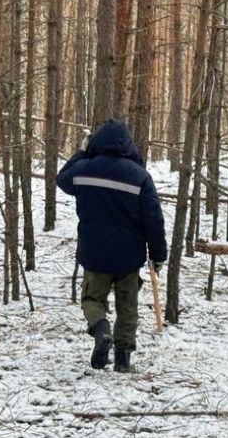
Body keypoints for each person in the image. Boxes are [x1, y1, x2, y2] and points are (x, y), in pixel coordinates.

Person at [57, 119, 168, 373]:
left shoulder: (83, 170)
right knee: (128, 306)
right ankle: (122, 359)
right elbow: (153, 218)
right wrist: (158, 254)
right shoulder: (140, 176)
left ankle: (101, 329)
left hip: (94, 252)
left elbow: (62, 179)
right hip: (129, 255)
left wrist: (82, 152)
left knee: (92, 298)